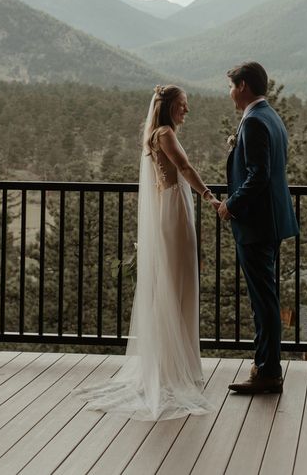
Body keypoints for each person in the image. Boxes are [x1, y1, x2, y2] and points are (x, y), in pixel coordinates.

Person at [73, 84, 218, 420]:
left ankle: (178, 365)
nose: (187, 109)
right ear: (168, 106)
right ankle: (170, 369)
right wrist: (211, 197)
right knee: (174, 282)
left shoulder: (160, 132)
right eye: (183, 104)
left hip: (176, 204)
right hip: (175, 208)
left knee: (179, 280)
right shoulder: (165, 133)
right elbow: (183, 168)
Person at [218, 62, 299, 394]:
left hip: (256, 224)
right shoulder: (271, 117)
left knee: (263, 299)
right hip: (273, 220)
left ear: (243, 86)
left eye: (232, 86)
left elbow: (258, 175)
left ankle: (268, 371)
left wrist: (230, 205)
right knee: (266, 296)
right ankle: (266, 365)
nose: (230, 93)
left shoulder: (253, 121)